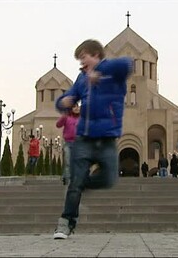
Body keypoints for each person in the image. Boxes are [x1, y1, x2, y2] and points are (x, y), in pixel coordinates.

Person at [52, 39, 133, 239]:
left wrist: (101, 71)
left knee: (108, 179)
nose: (81, 62)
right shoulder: (81, 79)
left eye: (84, 57)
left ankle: (81, 184)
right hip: (84, 139)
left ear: (96, 55)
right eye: (79, 59)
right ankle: (65, 223)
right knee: (74, 183)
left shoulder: (114, 73)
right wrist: (64, 101)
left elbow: (127, 63)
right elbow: (65, 98)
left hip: (107, 138)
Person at [56, 103, 80, 185]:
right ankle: (67, 179)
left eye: (77, 107)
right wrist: (64, 116)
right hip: (68, 143)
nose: (76, 108)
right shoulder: (67, 117)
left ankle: (72, 178)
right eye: (74, 107)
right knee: (68, 161)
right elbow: (58, 125)